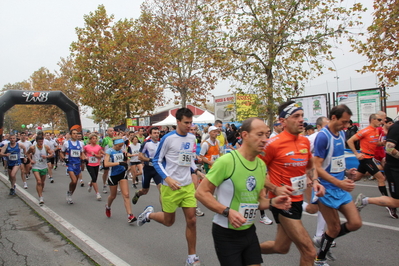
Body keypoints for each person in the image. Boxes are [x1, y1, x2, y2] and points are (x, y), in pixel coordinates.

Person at [195, 117, 291, 266]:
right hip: (226, 233)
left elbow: (257, 201)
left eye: (267, 134)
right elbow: (201, 193)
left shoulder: (260, 164)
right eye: (259, 134)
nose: (265, 139)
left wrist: (272, 202)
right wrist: (227, 211)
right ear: (245, 135)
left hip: (249, 231)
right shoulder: (227, 161)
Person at [258, 101, 325, 266]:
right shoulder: (272, 144)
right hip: (282, 203)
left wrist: (315, 181)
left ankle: (246, 250)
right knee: (309, 251)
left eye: (302, 116)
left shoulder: (304, 141)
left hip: (297, 200)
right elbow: (255, 171)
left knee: (281, 247)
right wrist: (274, 188)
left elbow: (310, 166)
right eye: (296, 116)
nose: (301, 119)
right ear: (283, 121)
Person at [136, 107, 205, 266]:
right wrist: (168, 179)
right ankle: (149, 215)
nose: (189, 126)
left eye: (191, 123)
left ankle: (191, 257)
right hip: (170, 186)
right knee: (169, 221)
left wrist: (197, 171)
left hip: (187, 186)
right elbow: (156, 161)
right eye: (186, 123)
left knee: (192, 221)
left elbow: (189, 159)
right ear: (178, 121)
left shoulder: (192, 138)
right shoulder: (167, 138)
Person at [313, 104, 362, 266]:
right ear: (333, 117)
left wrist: (347, 172)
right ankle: (320, 259)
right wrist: (338, 181)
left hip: (340, 187)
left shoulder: (341, 134)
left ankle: (324, 238)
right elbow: (317, 167)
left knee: (355, 223)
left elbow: (336, 161)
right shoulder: (323, 137)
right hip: (326, 189)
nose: (346, 126)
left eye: (348, 122)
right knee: (333, 228)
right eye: (344, 121)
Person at [346, 114, 394, 217]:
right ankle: (388, 203)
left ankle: (338, 185)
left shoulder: (376, 130)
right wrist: (356, 154)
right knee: (381, 178)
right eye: (379, 120)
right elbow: (350, 141)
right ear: (372, 120)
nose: (381, 122)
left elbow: (373, 143)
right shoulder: (365, 130)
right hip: (365, 158)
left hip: (369, 157)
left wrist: (382, 143)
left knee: (357, 177)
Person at [104, 137, 136, 224]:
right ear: (115, 145)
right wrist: (119, 163)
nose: (120, 147)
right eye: (119, 146)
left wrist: (126, 161)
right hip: (113, 175)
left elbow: (126, 157)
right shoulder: (109, 152)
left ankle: (130, 215)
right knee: (113, 196)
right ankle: (108, 206)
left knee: (126, 195)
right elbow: (106, 164)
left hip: (122, 173)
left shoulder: (121, 150)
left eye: (122, 146)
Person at [131, 127, 162, 205]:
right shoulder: (146, 144)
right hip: (148, 169)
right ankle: (138, 194)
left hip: (157, 169)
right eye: (154, 133)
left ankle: (164, 211)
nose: (156, 135)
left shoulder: (161, 143)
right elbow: (140, 157)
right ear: (150, 134)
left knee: (162, 190)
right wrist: (149, 160)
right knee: (145, 191)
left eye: (158, 133)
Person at [60, 129, 86, 204]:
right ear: (71, 135)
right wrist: (64, 158)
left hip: (78, 164)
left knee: (75, 182)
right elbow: (61, 152)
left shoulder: (80, 143)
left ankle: (70, 194)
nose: (75, 135)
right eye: (74, 133)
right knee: (74, 180)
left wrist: (84, 159)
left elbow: (82, 153)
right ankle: (69, 192)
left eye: (76, 133)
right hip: (70, 164)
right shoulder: (66, 143)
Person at [26, 135, 53, 205]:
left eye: (42, 141)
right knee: (38, 181)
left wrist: (46, 156)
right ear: (36, 141)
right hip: (36, 166)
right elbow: (27, 153)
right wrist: (30, 160)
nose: (41, 142)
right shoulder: (33, 148)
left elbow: (51, 154)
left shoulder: (46, 147)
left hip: (43, 166)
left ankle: (41, 190)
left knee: (42, 182)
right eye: (39, 141)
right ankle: (41, 197)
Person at [83, 133, 104, 201]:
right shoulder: (86, 147)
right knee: (94, 178)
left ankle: (90, 184)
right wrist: (85, 157)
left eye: (95, 138)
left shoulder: (98, 147)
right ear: (90, 139)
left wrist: (95, 155)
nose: (95, 140)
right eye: (93, 138)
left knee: (95, 177)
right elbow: (82, 152)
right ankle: (97, 193)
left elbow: (100, 156)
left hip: (96, 163)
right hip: (89, 164)